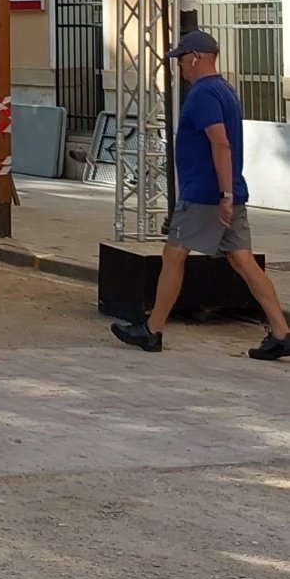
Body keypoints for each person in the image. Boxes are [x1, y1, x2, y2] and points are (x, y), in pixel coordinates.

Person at [111, 30, 290, 360]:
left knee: (174, 254)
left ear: (195, 58)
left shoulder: (203, 95)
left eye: (181, 59)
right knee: (242, 259)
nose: (179, 65)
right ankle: (281, 331)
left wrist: (224, 193)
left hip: (206, 194)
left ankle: (152, 330)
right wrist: (230, 191)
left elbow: (220, 143)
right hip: (227, 189)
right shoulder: (226, 90)